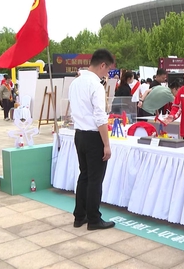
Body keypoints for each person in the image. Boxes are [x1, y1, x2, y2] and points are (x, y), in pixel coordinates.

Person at [68, 49, 116, 231]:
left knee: (85, 176)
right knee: (95, 179)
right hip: (94, 136)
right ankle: (94, 218)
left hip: (79, 134)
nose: (107, 73)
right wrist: (106, 144)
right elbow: (100, 117)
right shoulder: (95, 85)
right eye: (108, 69)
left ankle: (80, 216)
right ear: (102, 65)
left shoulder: (75, 83)